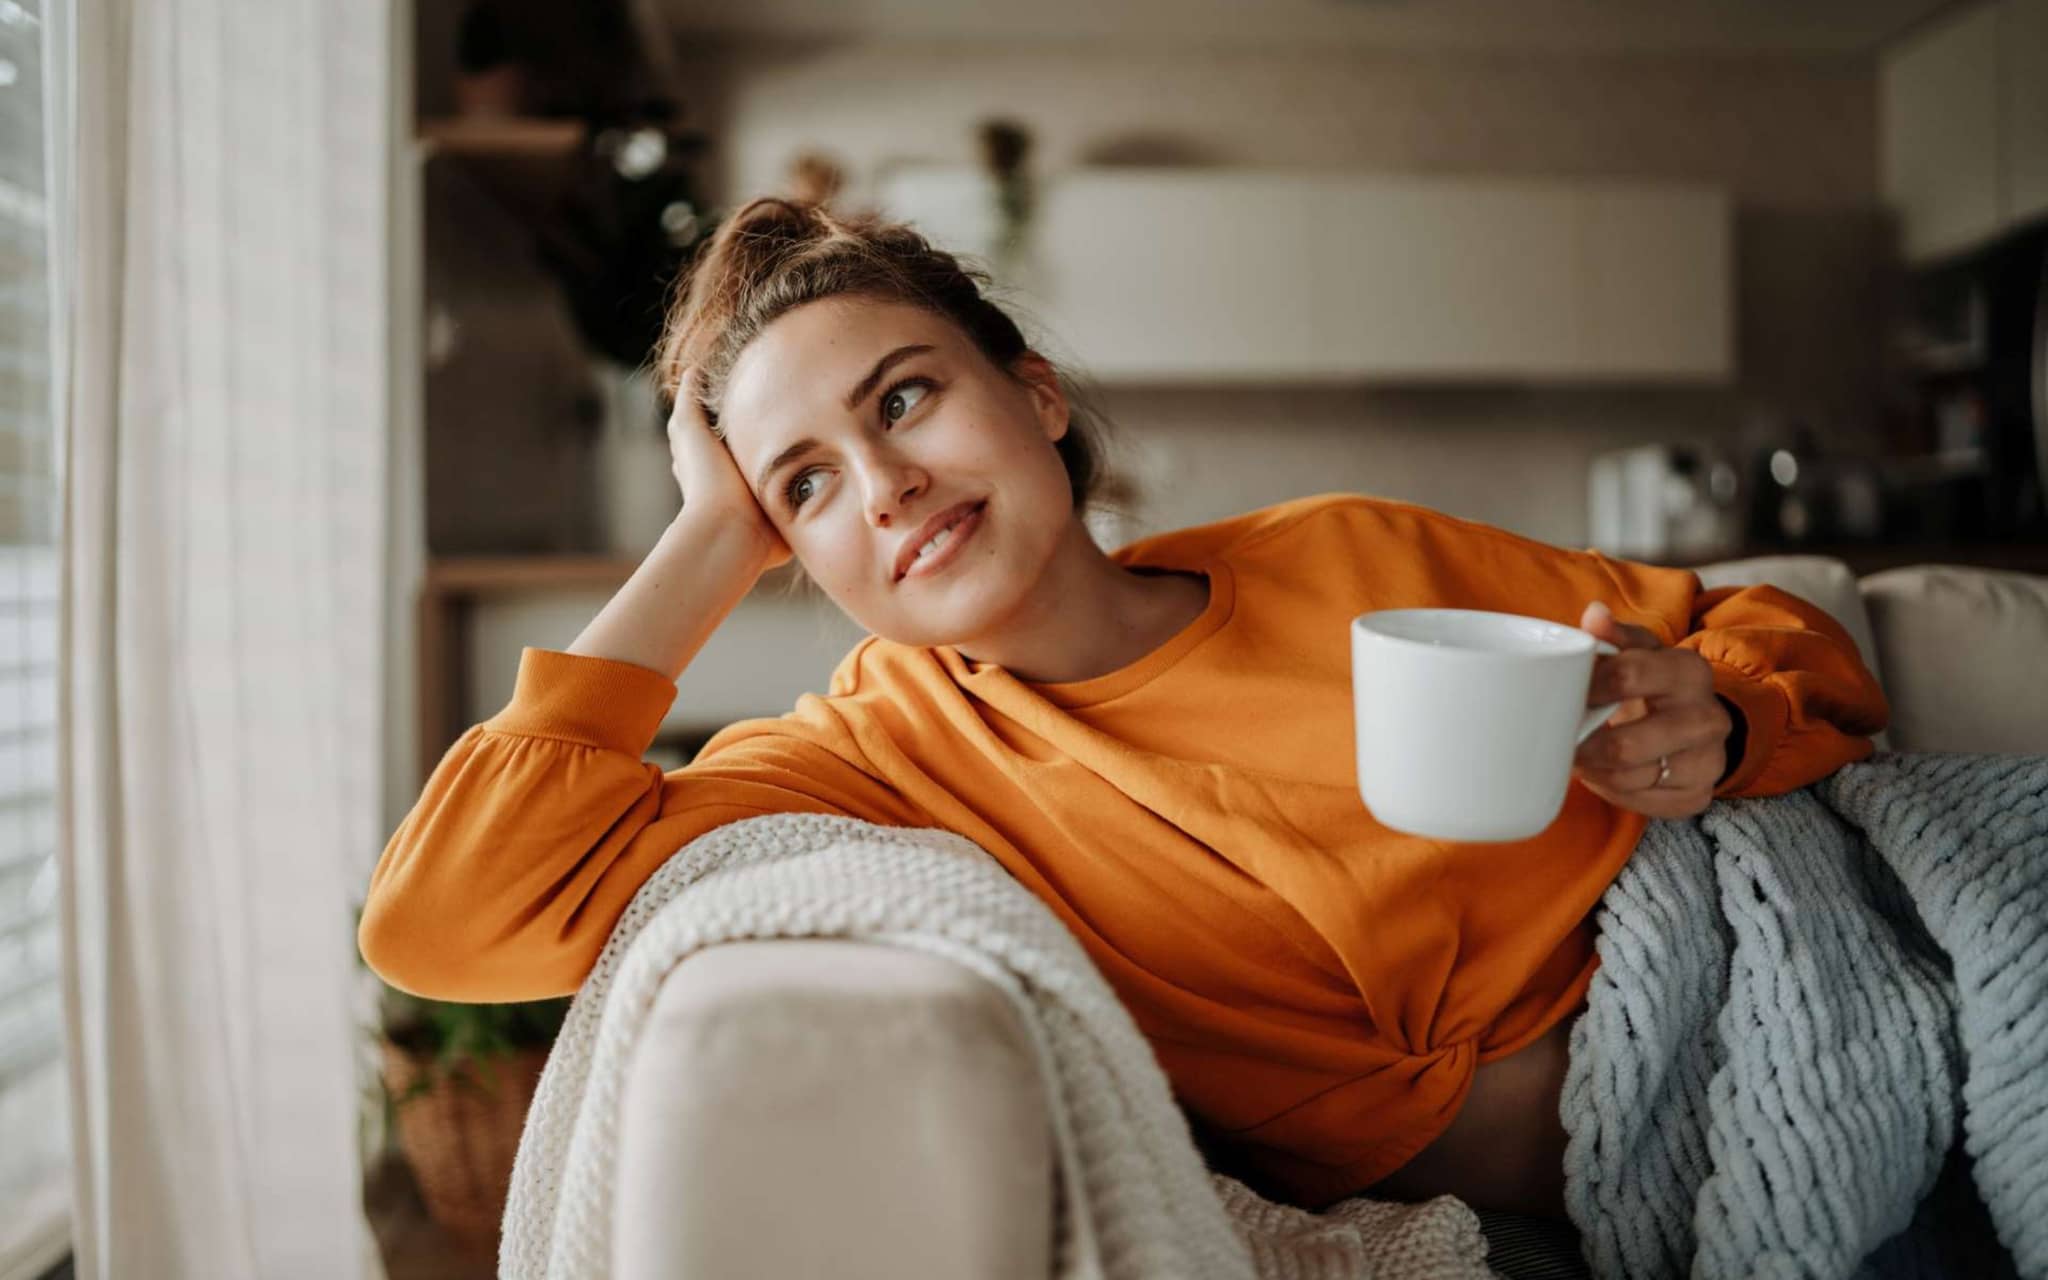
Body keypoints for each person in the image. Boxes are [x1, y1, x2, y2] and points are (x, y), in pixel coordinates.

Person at [357, 198, 1889, 1221]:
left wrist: (1722, 718)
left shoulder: (1348, 554)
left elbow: (1779, 633)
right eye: (804, 486)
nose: (885, 485)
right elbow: (443, 920)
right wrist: (703, 542)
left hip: (1780, 1007)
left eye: (904, 398)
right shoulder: (872, 758)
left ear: (1034, 396)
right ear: (784, 551)